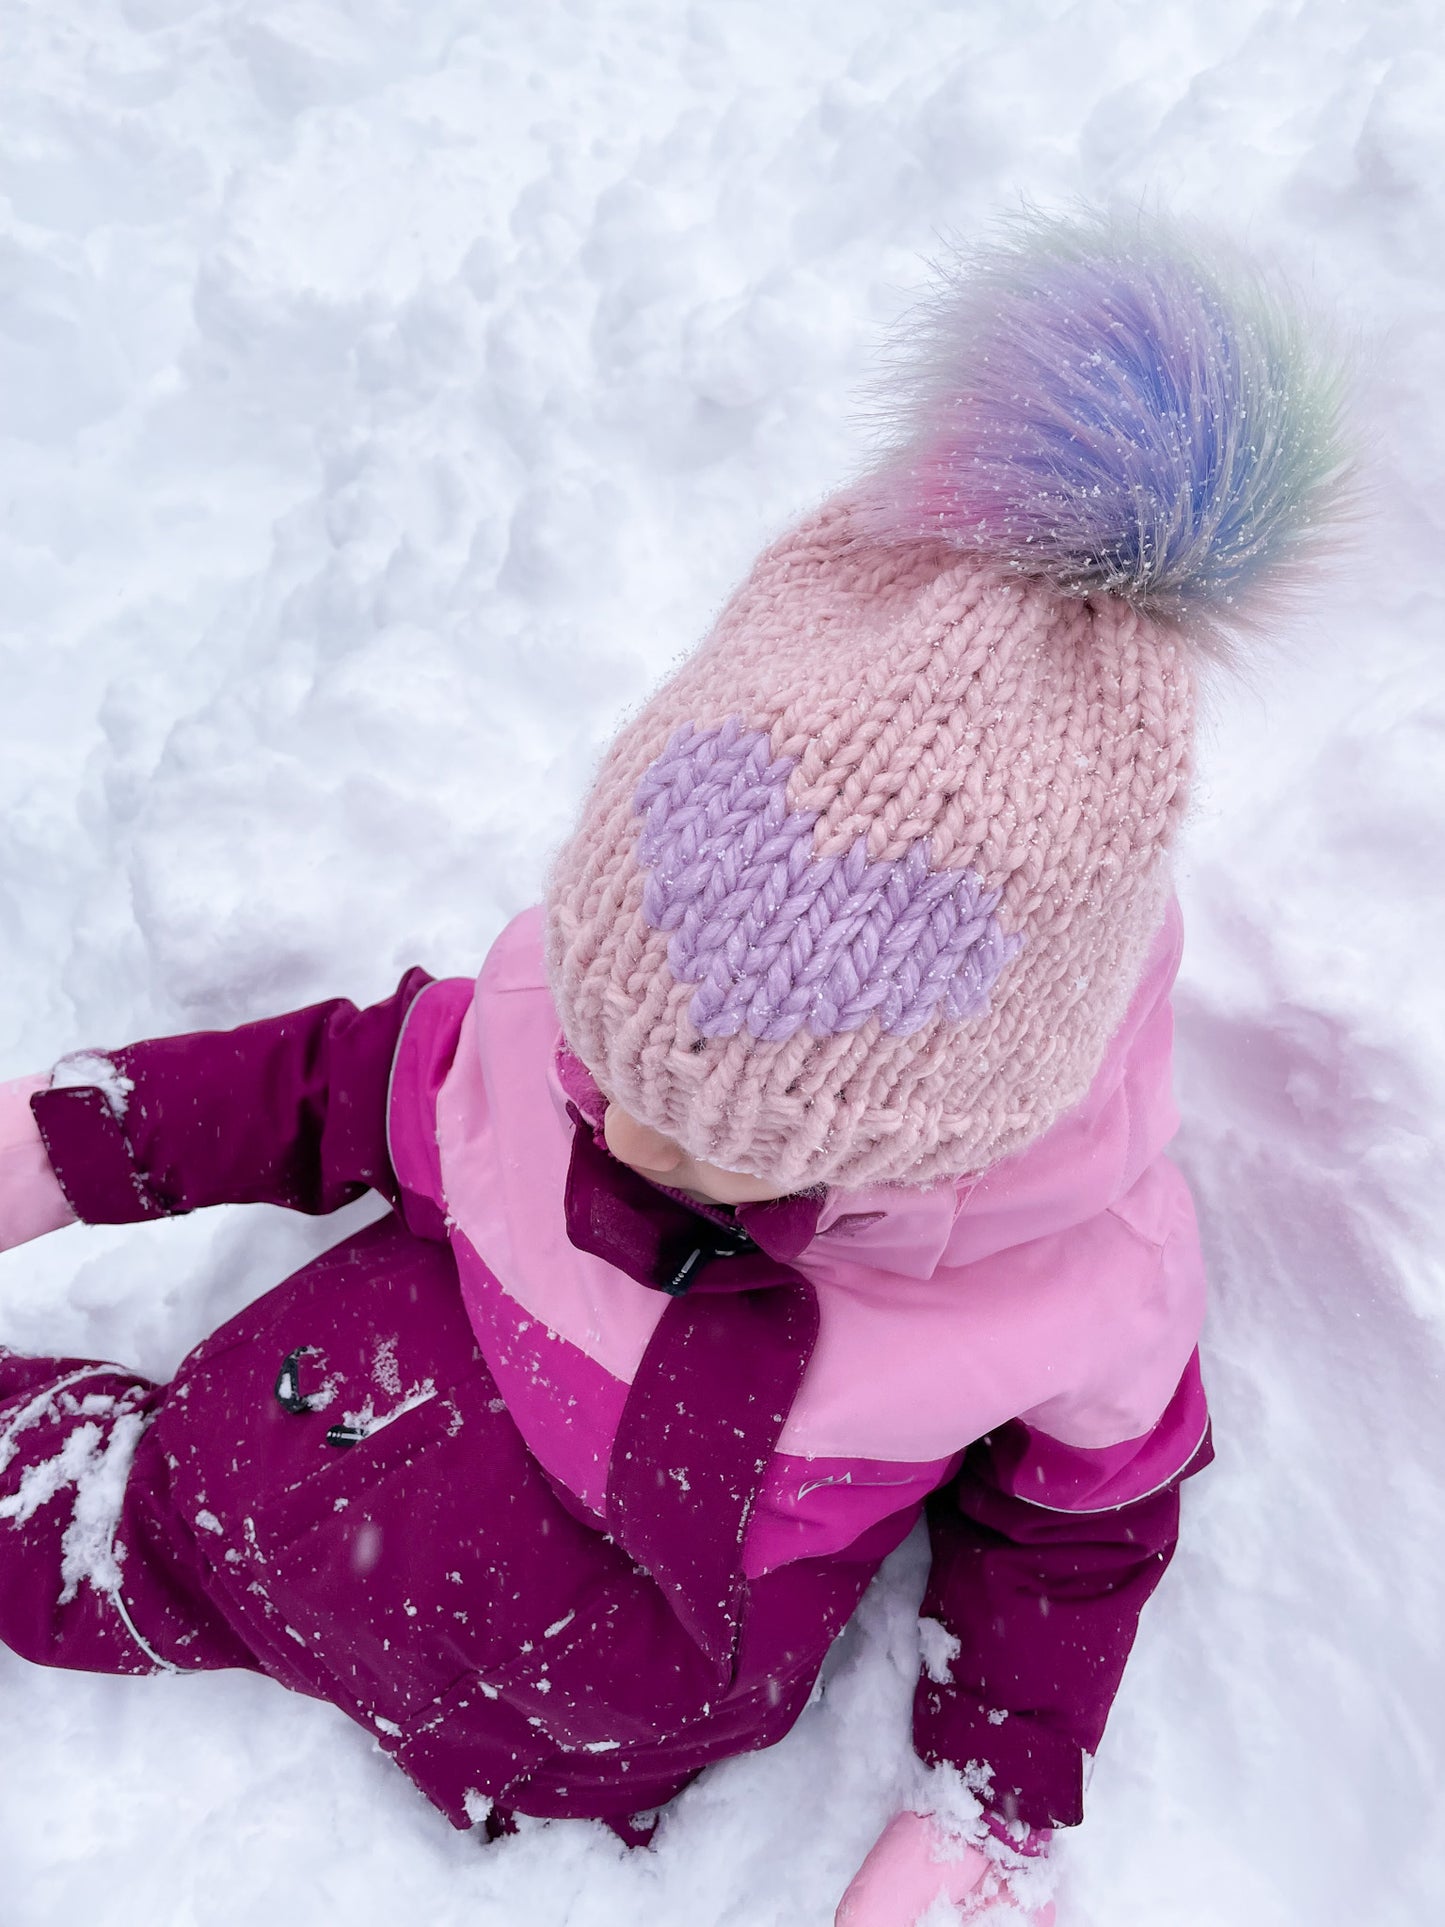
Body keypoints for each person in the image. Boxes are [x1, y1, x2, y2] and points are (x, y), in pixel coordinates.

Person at [0, 212, 1348, 1925]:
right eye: (608, 1058)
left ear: (956, 1123)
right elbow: (317, 1091)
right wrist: (59, 1146)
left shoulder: (1081, 1289)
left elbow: (1074, 1542)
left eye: (724, 1142)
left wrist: (989, 1807)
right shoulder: (567, 1013)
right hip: (238, 1501)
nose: (614, 1120)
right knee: (80, 1539)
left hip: (593, 1728)